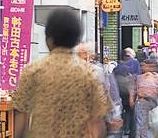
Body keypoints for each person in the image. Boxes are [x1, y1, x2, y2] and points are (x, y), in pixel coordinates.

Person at [13, 9, 110, 138]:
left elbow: (21, 115)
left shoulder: (32, 71)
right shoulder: (90, 75)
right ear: (76, 41)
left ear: (49, 39)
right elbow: (97, 121)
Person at [77, 43, 123, 137]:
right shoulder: (96, 70)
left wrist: (112, 114)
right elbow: (105, 93)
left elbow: (105, 93)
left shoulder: (97, 70)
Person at [134, 59, 158, 138]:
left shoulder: (157, 77)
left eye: (144, 66)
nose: (142, 68)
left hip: (150, 102)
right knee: (142, 124)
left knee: (145, 123)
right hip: (145, 101)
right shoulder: (140, 77)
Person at [113, 56, 137, 137]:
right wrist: (131, 98)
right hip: (126, 96)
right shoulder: (128, 73)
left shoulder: (115, 72)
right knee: (130, 113)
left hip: (118, 96)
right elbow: (131, 85)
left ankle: (121, 130)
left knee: (120, 114)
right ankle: (129, 131)